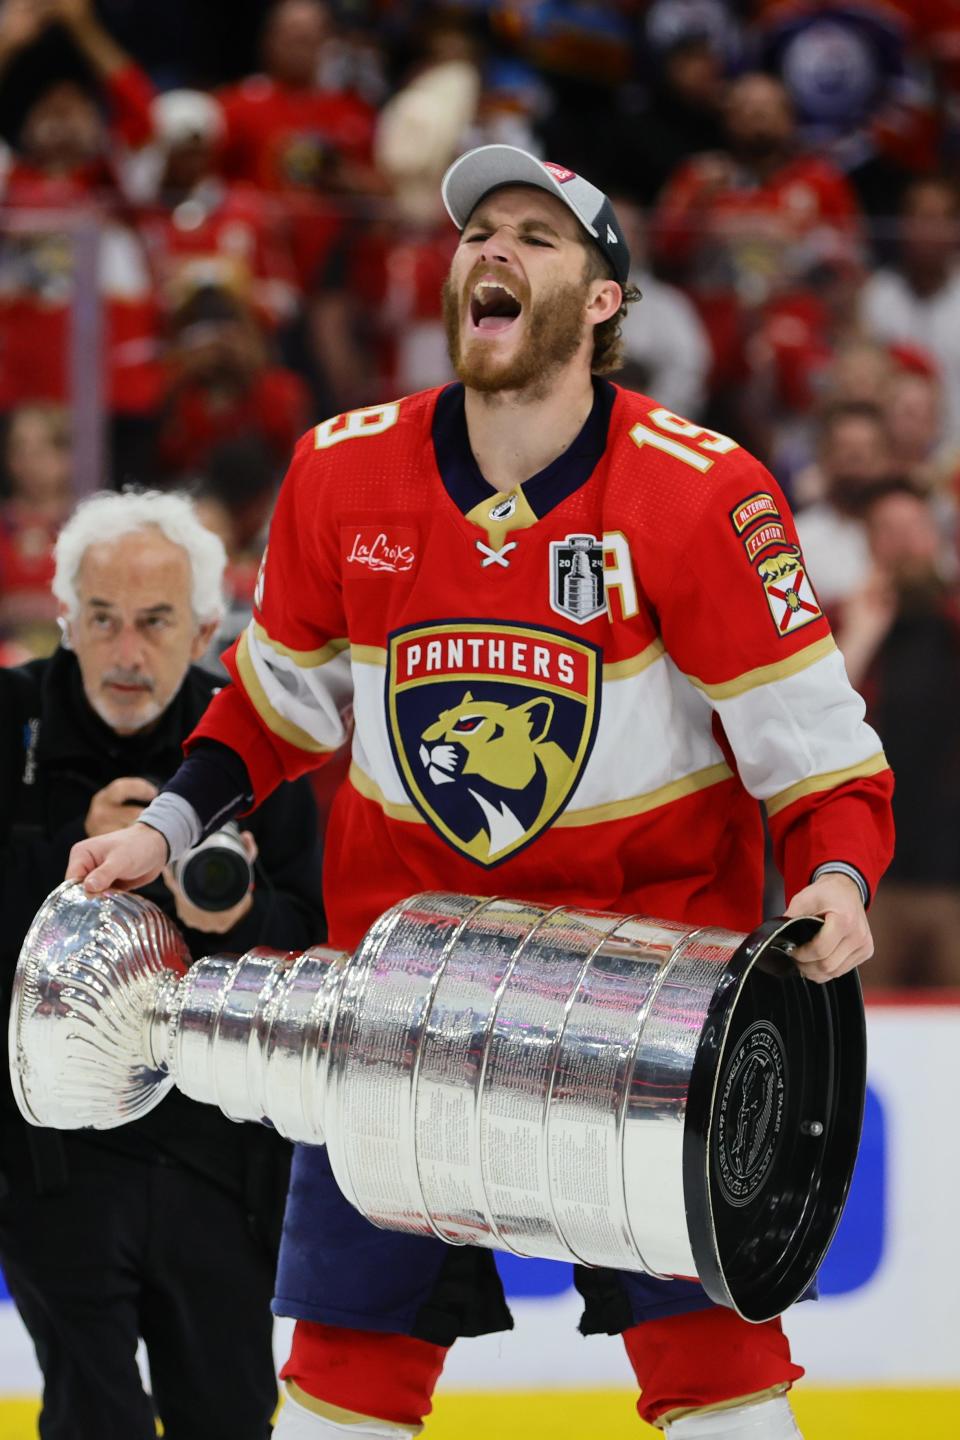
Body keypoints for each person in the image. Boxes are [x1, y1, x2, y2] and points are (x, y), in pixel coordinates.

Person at [66, 145, 894, 1440]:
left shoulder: (703, 495)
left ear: (605, 300)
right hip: (403, 1006)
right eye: (475, 234)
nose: (491, 252)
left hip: (654, 1012)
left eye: (536, 235)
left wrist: (837, 878)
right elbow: (274, 709)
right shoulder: (343, 472)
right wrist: (167, 827)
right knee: (344, 1388)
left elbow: (821, 756)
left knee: (721, 1386)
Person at [0, 488, 325, 1440]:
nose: (126, 653)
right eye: (100, 620)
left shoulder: (254, 744)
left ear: (207, 628)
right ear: (65, 620)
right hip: (54, 1153)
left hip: (220, 1155)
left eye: (154, 622)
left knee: (225, 1411)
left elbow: (313, 946)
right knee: (89, 1414)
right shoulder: (11, 719)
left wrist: (230, 910)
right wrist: (70, 847)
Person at [835, 480, 960, 988]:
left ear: (936, 537)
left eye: (914, 528)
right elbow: (815, 721)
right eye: (887, 531)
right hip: (870, 886)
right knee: (871, 1032)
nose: (904, 542)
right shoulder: (844, 620)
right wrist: (862, 632)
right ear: (869, 545)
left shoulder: (953, 624)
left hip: (952, 882)